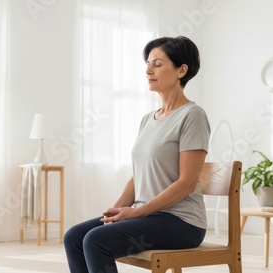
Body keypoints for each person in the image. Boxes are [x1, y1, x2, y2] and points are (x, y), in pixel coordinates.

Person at [64, 36, 211, 273]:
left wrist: (137, 211)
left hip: (182, 223)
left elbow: (187, 183)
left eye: (157, 64)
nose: (148, 70)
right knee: (74, 237)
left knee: (95, 240)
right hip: (149, 217)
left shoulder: (192, 115)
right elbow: (138, 175)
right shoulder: (148, 119)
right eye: (148, 64)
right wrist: (115, 211)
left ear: (181, 70)